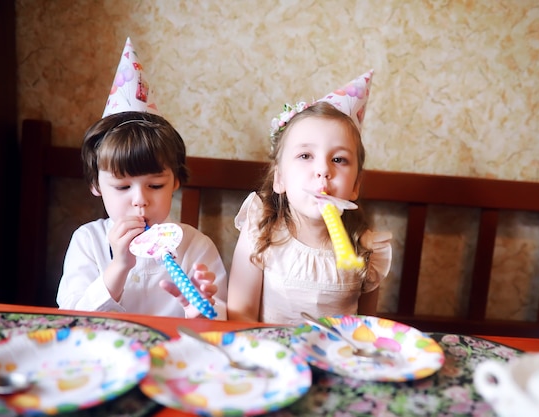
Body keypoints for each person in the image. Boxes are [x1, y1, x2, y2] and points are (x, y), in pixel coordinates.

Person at [57, 38, 227, 318]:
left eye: (156, 185)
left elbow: (218, 322)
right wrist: (119, 265)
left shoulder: (195, 246)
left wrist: (199, 307)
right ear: (96, 185)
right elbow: (73, 318)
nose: (140, 201)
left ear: (175, 182)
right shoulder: (88, 242)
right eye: (122, 186)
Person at [227, 70, 391, 325]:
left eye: (339, 159)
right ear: (279, 179)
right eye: (305, 156)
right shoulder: (261, 231)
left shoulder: (367, 249)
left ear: (355, 185)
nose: (324, 170)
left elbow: (365, 329)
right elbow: (240, 315)